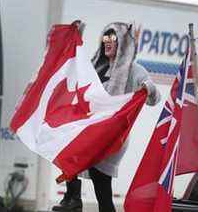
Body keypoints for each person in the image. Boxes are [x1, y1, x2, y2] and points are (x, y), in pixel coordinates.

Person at [52, 22, 161, 212]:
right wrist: (76, 36)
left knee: (100, 183)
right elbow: (75, 70)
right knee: (66, 148)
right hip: (93, 130)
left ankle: (88, 204)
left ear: (123, 44)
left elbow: (155, 98)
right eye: (105, 38)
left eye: (113, 38)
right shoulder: (98, 66)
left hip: (112, 136)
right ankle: (73, 199)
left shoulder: (133, 69)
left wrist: (147, 88)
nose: (108, 42)